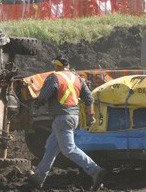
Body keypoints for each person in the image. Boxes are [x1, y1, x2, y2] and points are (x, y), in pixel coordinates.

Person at [28, 54, 108, 191]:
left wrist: (36, 104)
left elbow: (43, 96)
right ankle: (38, 178)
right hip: (73, 117)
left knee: (69, 149)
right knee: (51, 150)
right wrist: (90, 116)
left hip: (62, 118)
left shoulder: (54, 77)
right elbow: (89, 99)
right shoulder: (77, 78)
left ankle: (95, 170)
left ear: (57, 66)